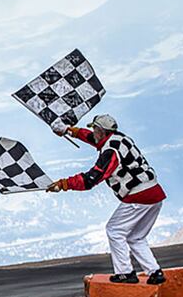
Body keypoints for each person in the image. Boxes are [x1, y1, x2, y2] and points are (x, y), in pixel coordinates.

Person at [46, 114, 166, 284]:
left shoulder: (110, 152)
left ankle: (125, 273)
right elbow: (93, 138)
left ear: (102, 131)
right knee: (136, 237)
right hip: (155, 193)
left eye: (95, 129)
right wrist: (68, 130)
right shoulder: (119, 138)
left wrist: (64, 184)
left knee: (115, 230)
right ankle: (155, 272)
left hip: (138, 195)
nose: (93, 131)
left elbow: (91, 179)